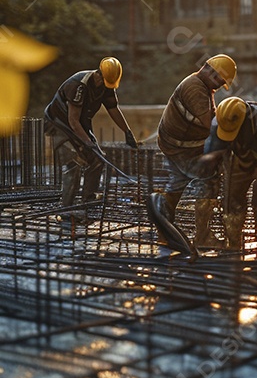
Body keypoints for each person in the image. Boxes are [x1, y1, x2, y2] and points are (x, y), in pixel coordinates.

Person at [151, 54, 236, 248]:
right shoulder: (195, 88)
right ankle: (202, 236)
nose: (218, 85)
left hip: (177, 144)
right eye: (220, 81)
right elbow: (209, 124)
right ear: (211, 72)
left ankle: (164, 231)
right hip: (182, 147)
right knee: (208, 180)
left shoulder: (202, 85)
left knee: (177, 184)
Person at [44, 56, 137, 213]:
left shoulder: (107, 85)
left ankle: (88, 202)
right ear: (98, 74)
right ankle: (67, 209)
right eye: (103, 80)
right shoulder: (79, 85)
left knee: (97, 160)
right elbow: (72, 121)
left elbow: (113, 109)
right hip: (59, 125)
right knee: (74, 163)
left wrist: (127, 132)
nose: (104, 85)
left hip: (81, 125)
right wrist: (88, 142)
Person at [203, 97, 257, 257]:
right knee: (232, 198)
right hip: (239, 155)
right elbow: (212, 155)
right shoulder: (219, 123)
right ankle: (233, 244)